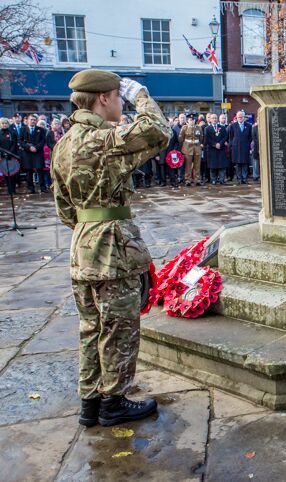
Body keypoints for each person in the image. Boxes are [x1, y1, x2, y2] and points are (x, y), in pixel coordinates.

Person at [50, 69, 171, 427]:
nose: (122, 103)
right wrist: (142, 93)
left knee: (91, 328)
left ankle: (90, 402)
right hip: (111, 248)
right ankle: (113, 403)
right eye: (119, 96)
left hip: (82, 244)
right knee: (119, 328)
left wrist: (89, 227)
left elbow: (64, 208)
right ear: (103, 98)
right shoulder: (101, 140)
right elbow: (158, 130)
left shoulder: (64, 144)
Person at [20, 114, 47, 193]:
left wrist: (36, 147)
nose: (33, 121)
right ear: (27, 120)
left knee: (40, 170)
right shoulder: (23, 129)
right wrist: (29, 147)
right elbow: (20, 141)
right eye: (31, 119)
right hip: (27, 153)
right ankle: (31, 188)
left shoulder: (41, 130)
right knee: (29, 171)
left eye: (34, 120)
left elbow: (43, 141)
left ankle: (43, 187)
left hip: (37, 152)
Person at [179, 115, 204, 186]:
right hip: (187, 148)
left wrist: (199, 144)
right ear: (187, 120)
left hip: (197, 148)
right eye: (190, 120)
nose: (192, 121)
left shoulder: (199, 128)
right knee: (188, 165)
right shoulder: (185, 128)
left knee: (197, 165)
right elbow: (181, 139)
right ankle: (188, 180)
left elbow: (201, 138)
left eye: (193, 120)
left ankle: (197, 180)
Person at [228, 110, 252, 184]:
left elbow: (250, 137)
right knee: (238, 164)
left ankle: (244, 178)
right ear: (237, 117)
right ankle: (239, 179)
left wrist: (247, 144)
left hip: (245, 147)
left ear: (244, 117)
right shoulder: (232, 126)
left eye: (241, 117)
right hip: (236, 148)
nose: (240, 118)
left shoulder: (248, 125)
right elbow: (230, 137)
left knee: (245, 163)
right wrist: (232, 145)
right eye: (239, 117)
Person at [204, 113, 228, 185]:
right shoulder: (207, 128)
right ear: (210, 120)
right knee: (213, 166)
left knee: (222, 166)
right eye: (213, 118)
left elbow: (225, 136)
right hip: (212, 149)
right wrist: (215, 144)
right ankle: (213, 179)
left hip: (221, 149)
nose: (214, 119)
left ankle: (221, 179)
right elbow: (207, 139)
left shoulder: (222, 127)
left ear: (217, 119)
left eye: (215, 118)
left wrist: (220, 144)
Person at [0, 117, 19, 195]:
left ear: (8, 124)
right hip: (3, 156)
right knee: (6, 173)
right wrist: (3, 153)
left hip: (11, 155)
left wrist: (10, 153)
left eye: (6, 123)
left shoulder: (12, 132)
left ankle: (13, 190)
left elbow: (14, 144)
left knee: (12, 173)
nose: (4, 125)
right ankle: (9, 190)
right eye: (3, 123)